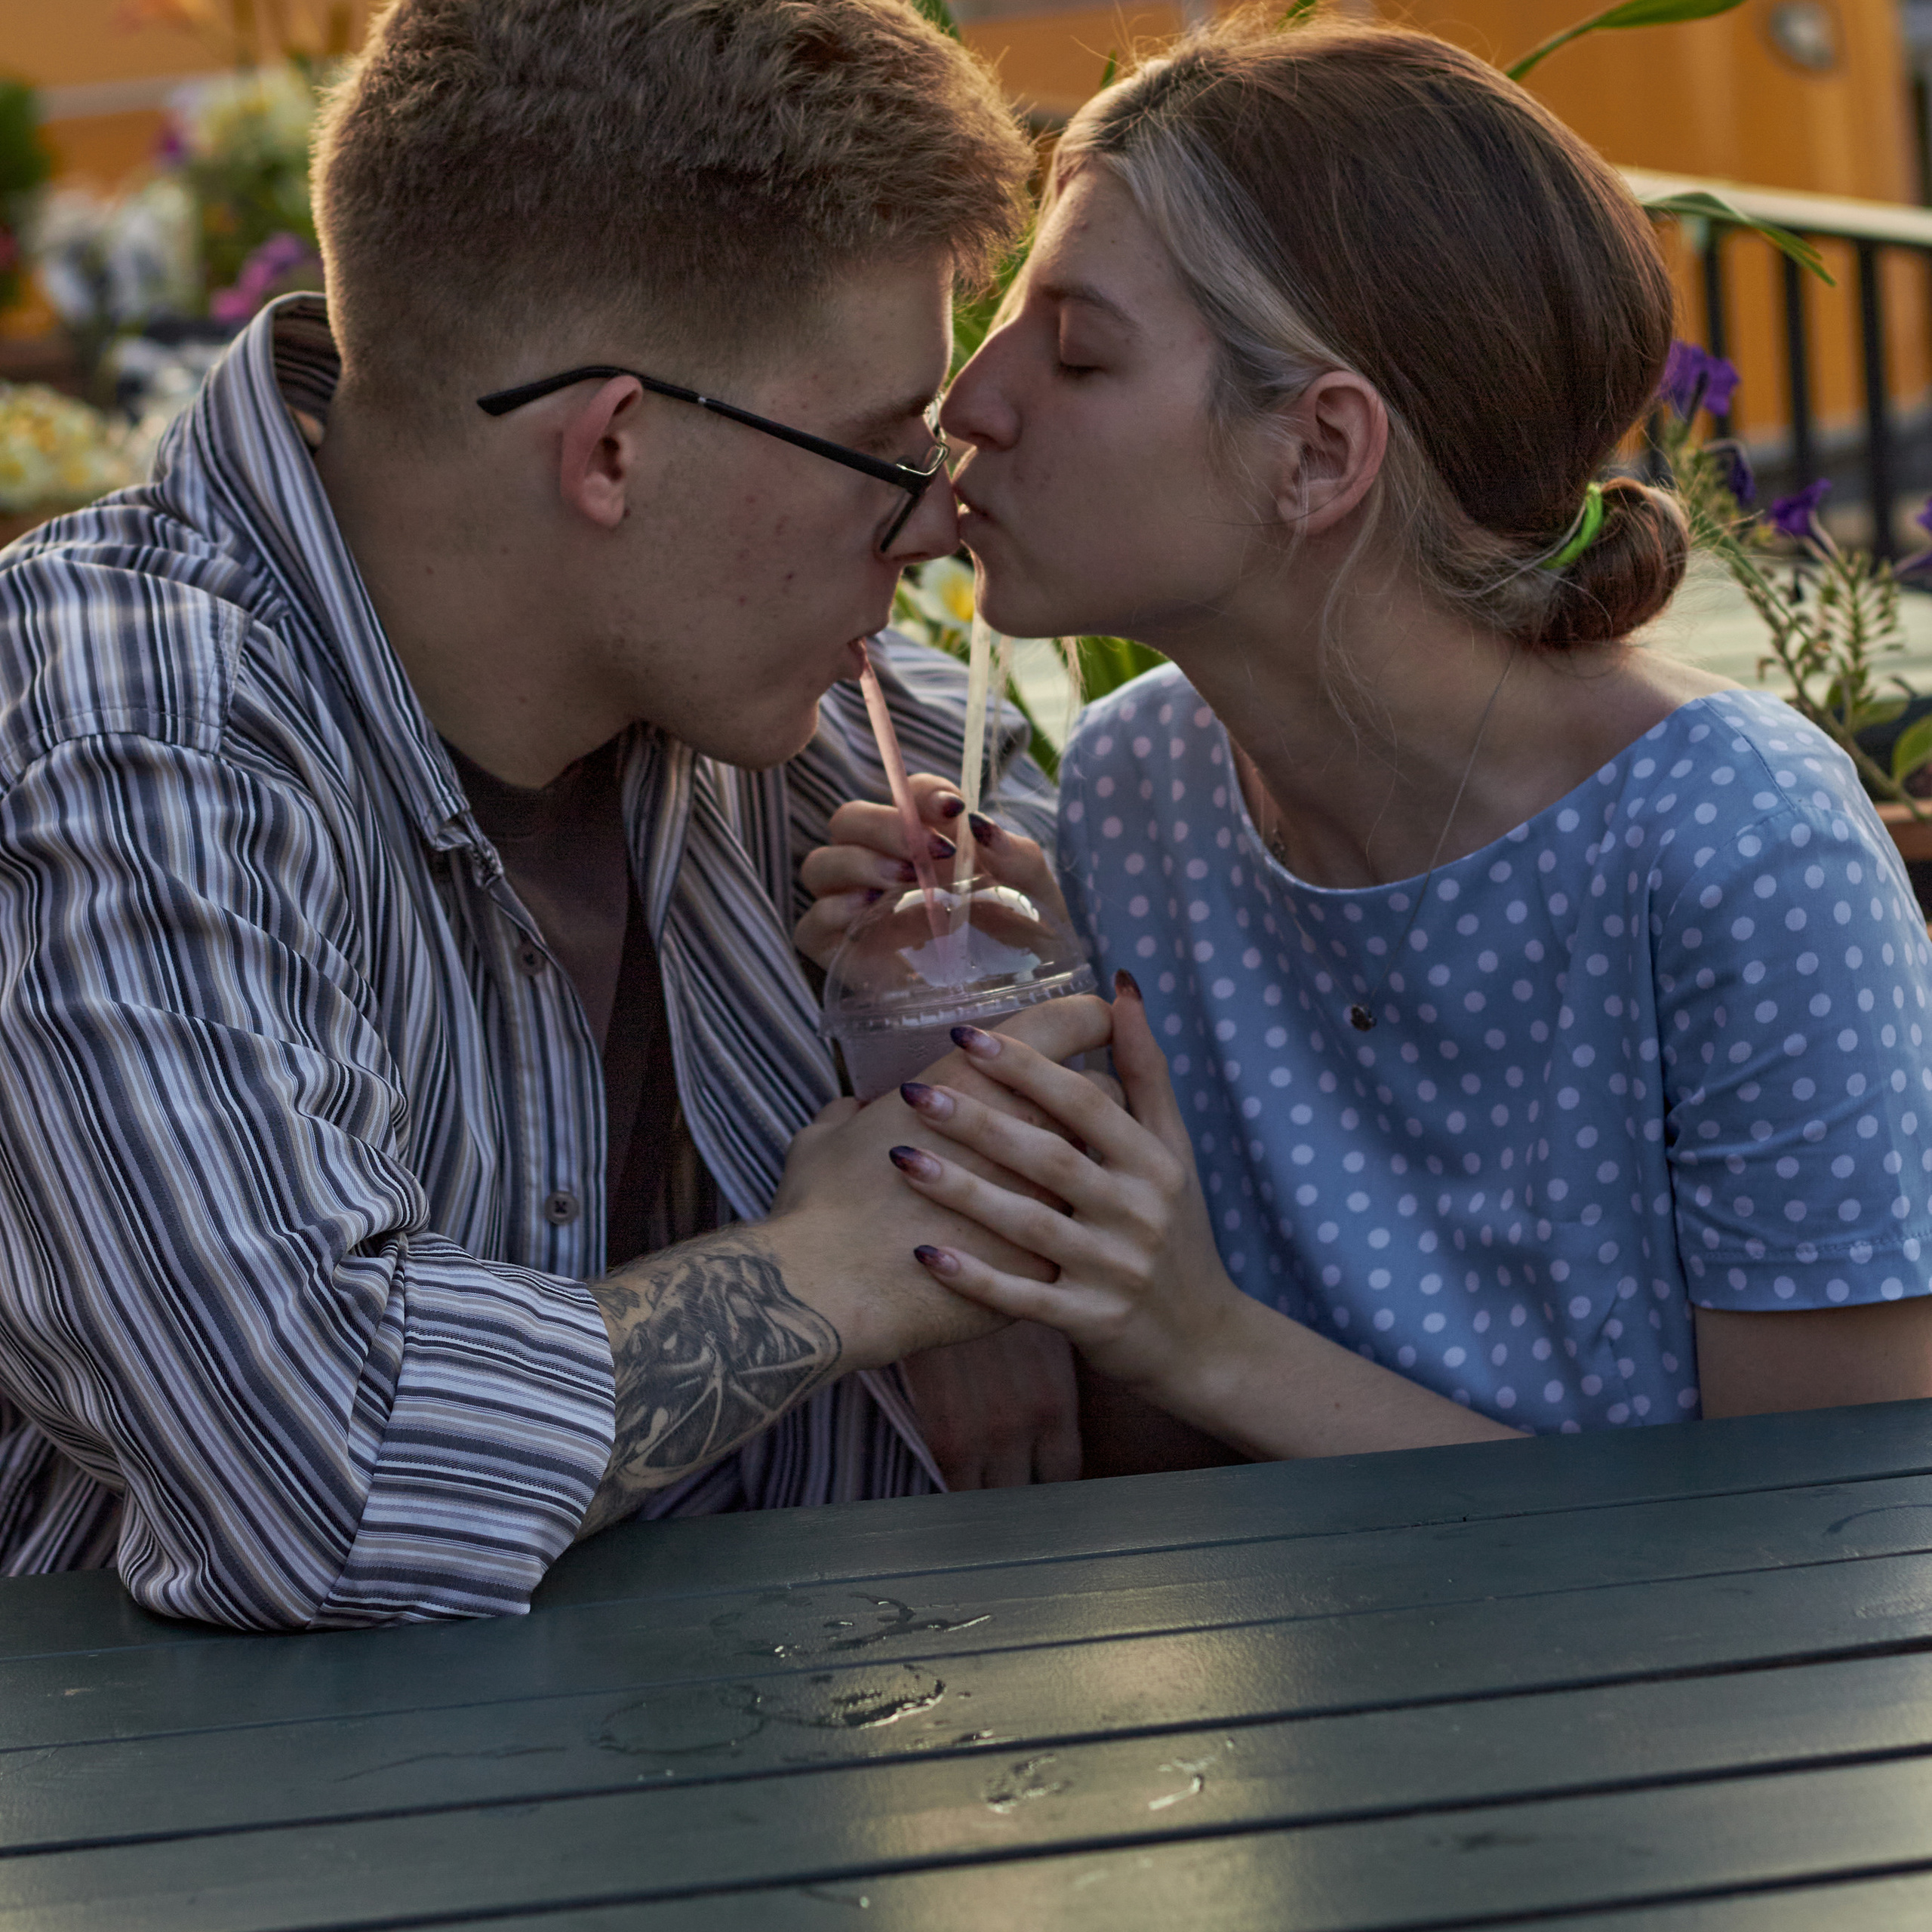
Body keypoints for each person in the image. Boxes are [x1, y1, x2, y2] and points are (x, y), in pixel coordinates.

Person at [0, 0, 1107, 1630]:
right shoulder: (115, 728)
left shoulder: (813, 733)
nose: (936, 520)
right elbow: (324, 1463)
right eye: (883, 447)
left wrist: (988, 1073)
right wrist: (864, 1265)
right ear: (609, 450)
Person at [811, 17, 1932, 1464]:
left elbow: (1830, 1539)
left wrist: (1198, 1335)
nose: (971, 403)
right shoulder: (1143, 786)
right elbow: (1179, 1488)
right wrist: (990, 1051)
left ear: (1323, 452)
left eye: (1077, 355)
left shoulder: (1738, 853)